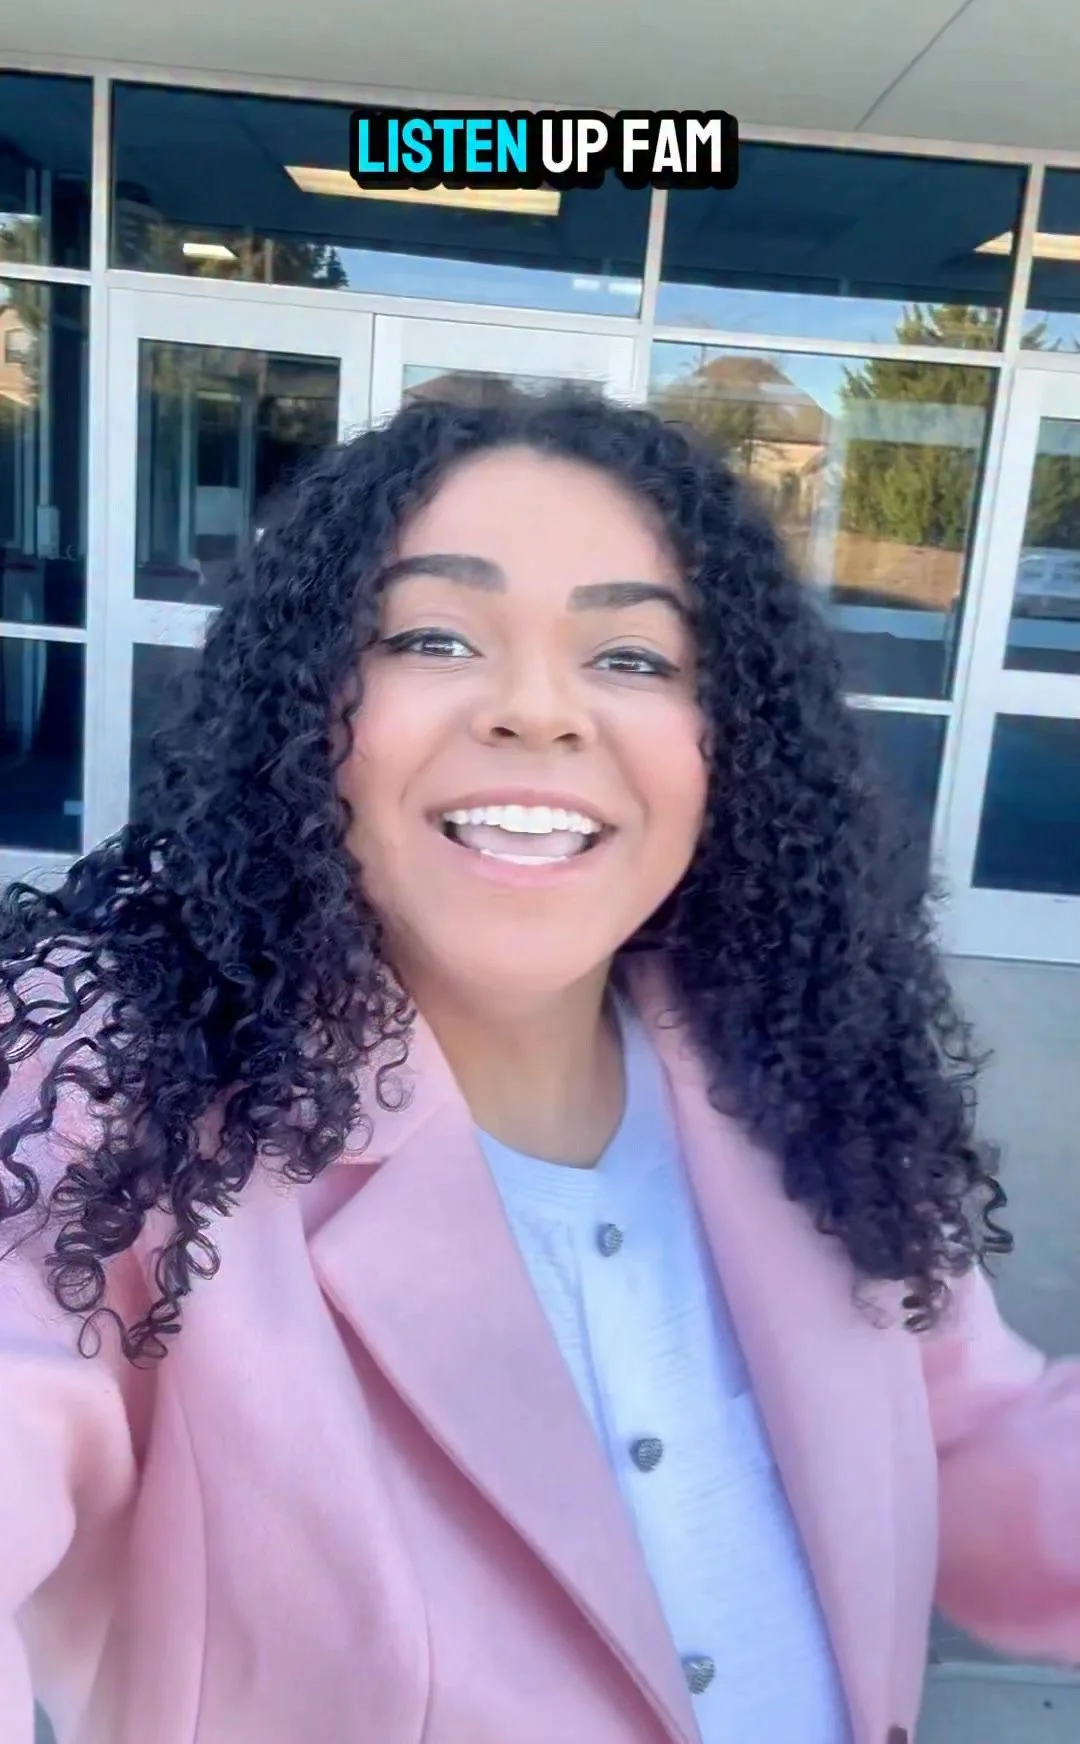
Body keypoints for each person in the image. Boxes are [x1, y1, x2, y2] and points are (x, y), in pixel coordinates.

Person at [0, 389, 1077, 1744]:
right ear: (302, 708)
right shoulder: (114, 1089)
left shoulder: (802, 1071)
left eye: (632, 656)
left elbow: (965, 1439)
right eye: (432, 637)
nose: (537, 710)